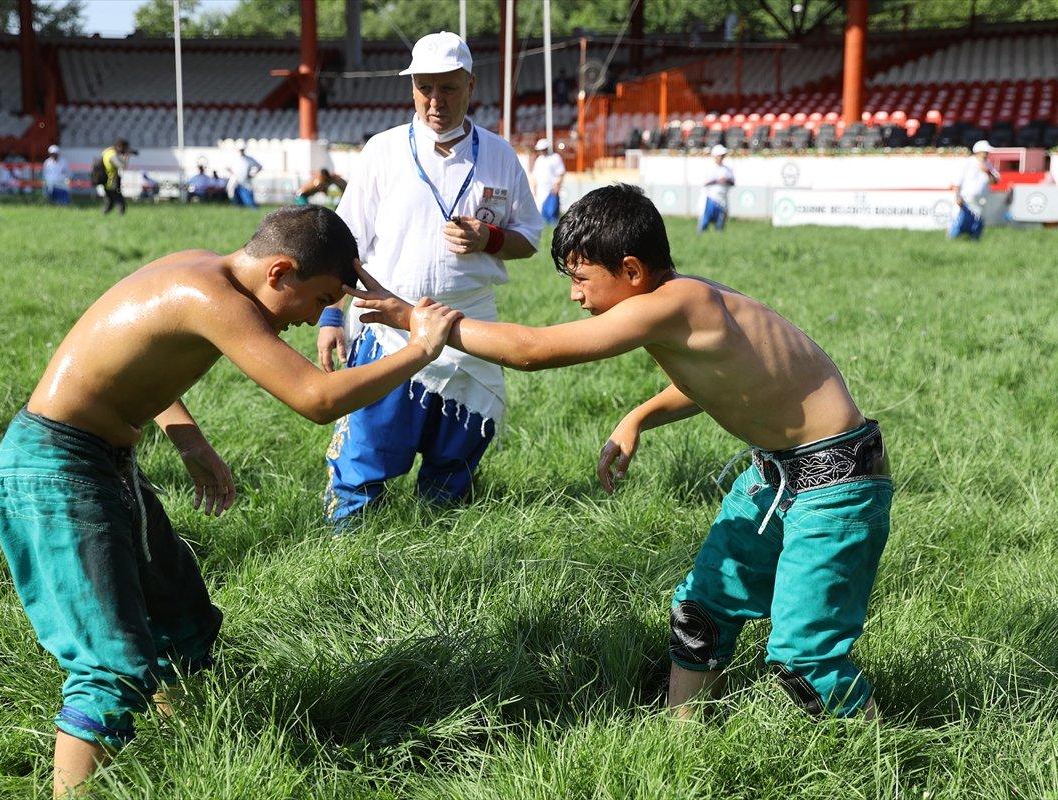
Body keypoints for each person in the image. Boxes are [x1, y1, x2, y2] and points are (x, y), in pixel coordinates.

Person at [351, 185, 892, 721]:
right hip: (775, 475)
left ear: (632, 270)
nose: (575, 295)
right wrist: (639, 417)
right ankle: (682, 745)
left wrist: (416, 322)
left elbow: (531, 351)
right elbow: (727, 383)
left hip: (838, 484)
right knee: (700, 612)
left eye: (582, 279)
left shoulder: (677, 302)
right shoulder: (682, 302)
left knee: (804, 658)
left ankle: (880, 764)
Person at [0, 205, 461, 797]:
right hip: (54, 471)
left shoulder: (199, 271)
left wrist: (188, 437)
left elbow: (130, 356)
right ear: (280, 272)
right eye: (319, 301)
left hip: (103, 463)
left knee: (183, 619)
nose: (315, 317)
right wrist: (419, 350)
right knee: (109, 667)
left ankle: (186, 748)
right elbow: (315, 400)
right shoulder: (211, 297)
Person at [318, 30, 542, 525]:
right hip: (388, 328)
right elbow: (345, 241)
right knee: (366, 455)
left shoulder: (500, 154)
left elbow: (530, 236)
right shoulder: (384, 150)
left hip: (469, 328)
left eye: (448, 88)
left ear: (471, 85)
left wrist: (492, 239)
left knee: (454, 464)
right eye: (425, 88)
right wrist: (331, 315)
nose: (435, 101)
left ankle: (441, 545)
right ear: (411, 88)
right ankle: (342, 550)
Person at [950, 140, 998, 241]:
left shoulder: (989, 164)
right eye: (985, 152)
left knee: (979, 221)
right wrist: (958, 196)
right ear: (978, 152)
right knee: (963, 220)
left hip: (983, 199)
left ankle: (974, 239)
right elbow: (957, 182)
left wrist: (987, 172)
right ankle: (956, 239)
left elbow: (995, 181)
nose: (986, 154)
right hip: (967, 199)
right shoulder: (967, 163)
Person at [698, 144, 734, 233]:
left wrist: (725, 181)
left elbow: (732, 182)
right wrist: (718, 181)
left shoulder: (727, 169)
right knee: (704, 221)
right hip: (710, 198)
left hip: (722, 199)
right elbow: (705, 182)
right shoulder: (709, 168)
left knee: (720, 222)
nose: (721, 157)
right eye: (720, 155)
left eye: (723, 155)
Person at [530, 138, 566, 225]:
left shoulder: (555, 158)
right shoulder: (539, 160)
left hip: (551, 190)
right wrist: (534, 187)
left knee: (551, 212)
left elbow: (560, 173)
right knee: (542, 213)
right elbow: (535, 175)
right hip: (540, 190)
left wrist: (557, 186)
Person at [101, 138, 135, 215]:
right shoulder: (112, 155)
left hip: (107, 181)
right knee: (120, 201)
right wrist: (126, 156)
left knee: (110, 202)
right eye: (124, 148)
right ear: (120, 146)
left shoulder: (108, 151)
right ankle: (121, 217)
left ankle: (103, 215)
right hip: (112, 182)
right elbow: (122, 166)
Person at [227, 143, 262, 208]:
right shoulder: (234, 158)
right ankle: (237, 205)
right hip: (235, 178)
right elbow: (227, 167)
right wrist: (233, 173)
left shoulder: (249, 159)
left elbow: (259, 166)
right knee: (231, 191)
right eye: (240, 150)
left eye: (242, 150)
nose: (241, 151)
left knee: (248, 191)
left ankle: (252, 206)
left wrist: (252, 175)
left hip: (245, 179)